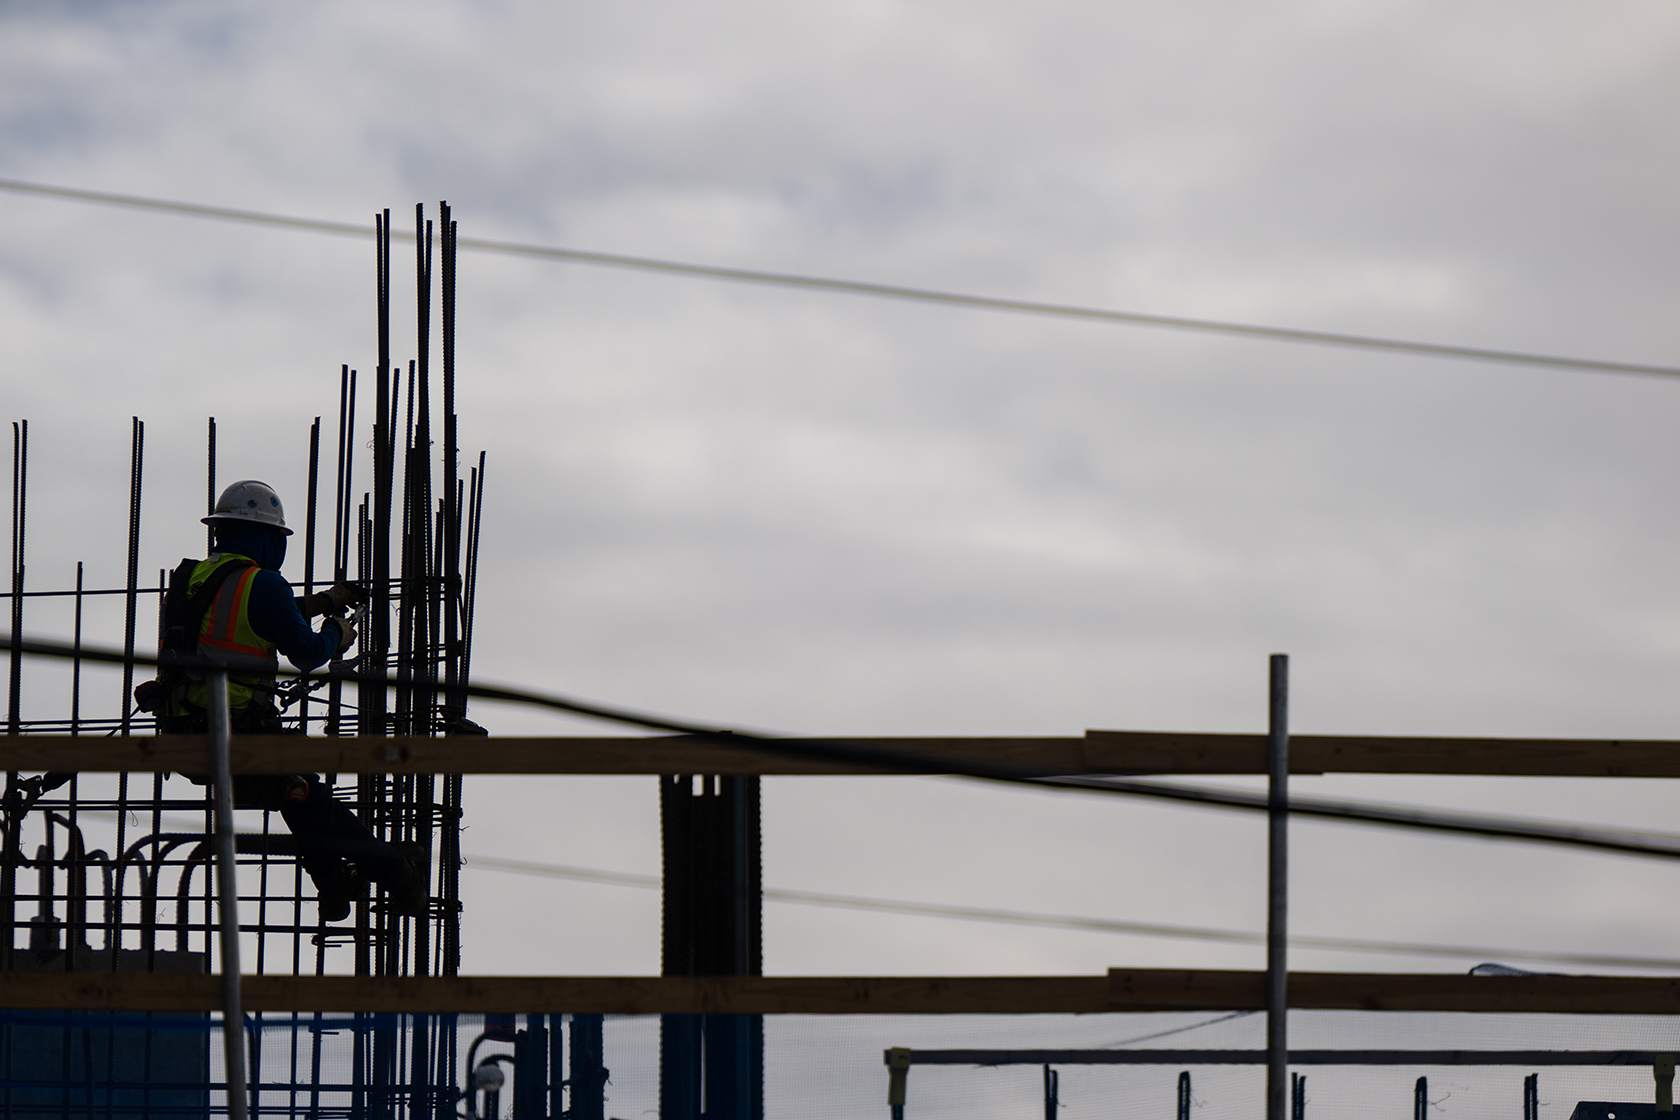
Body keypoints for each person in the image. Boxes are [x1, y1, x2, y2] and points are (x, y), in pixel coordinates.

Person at [157, 479, 426, 922]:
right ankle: (395, 874)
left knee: (296, 789)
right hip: (233, 731)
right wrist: (336, 633)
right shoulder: (262, 583)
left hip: (182, 731)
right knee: (302, 793)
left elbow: (250, 617)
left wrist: (324, 601)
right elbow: (305, 653)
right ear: (265, 537)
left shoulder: (194, 579)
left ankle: (336, 887)